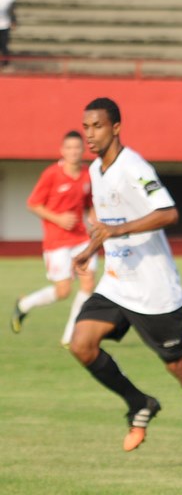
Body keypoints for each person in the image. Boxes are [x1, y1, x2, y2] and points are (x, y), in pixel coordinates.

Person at [70, 97, 182, 472]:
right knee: (81, 344)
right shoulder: (96, 170)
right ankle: (139, 402)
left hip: (154, 290)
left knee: (180, 368)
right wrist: (89, 249)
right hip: (116, 283)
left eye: (96, 126)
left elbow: (169, 212)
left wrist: (117, 229)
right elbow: (107, 222)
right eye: (86, 127)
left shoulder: (134, 167)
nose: (90, 134)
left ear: (115, 128)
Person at [12, 131, 97, 345]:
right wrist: (58, 219)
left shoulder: (88, 175)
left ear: (83, 150)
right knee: (63, 291)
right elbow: (33, 204)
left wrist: (96, 222)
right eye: (69, 148)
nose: (73, 152)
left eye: (77, 148)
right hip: (56, 241)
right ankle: (24, 305)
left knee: (87, 283)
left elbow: (90, 205)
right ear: (62, 151)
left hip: (81, 239)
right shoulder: (52, 174)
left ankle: (71, 335)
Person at [0, 0, 15, 71]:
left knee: (4, 44)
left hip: (4, 24)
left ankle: (6, 64)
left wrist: (13, 20)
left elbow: (12, 8)